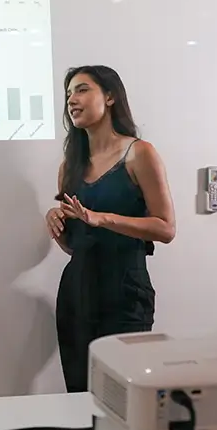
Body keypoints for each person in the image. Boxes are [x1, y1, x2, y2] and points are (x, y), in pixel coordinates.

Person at [45, 65, 176, 395]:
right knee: (79, 394)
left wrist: (101, 218)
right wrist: (57, 224)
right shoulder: (69, 166)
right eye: (68, 94)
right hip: (77, 290)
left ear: (111, 96)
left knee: (126, 395)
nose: (72, 100)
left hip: (125, 291)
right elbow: (76, 247)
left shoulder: (139, 153)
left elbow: (165, 228)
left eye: (81, 89)